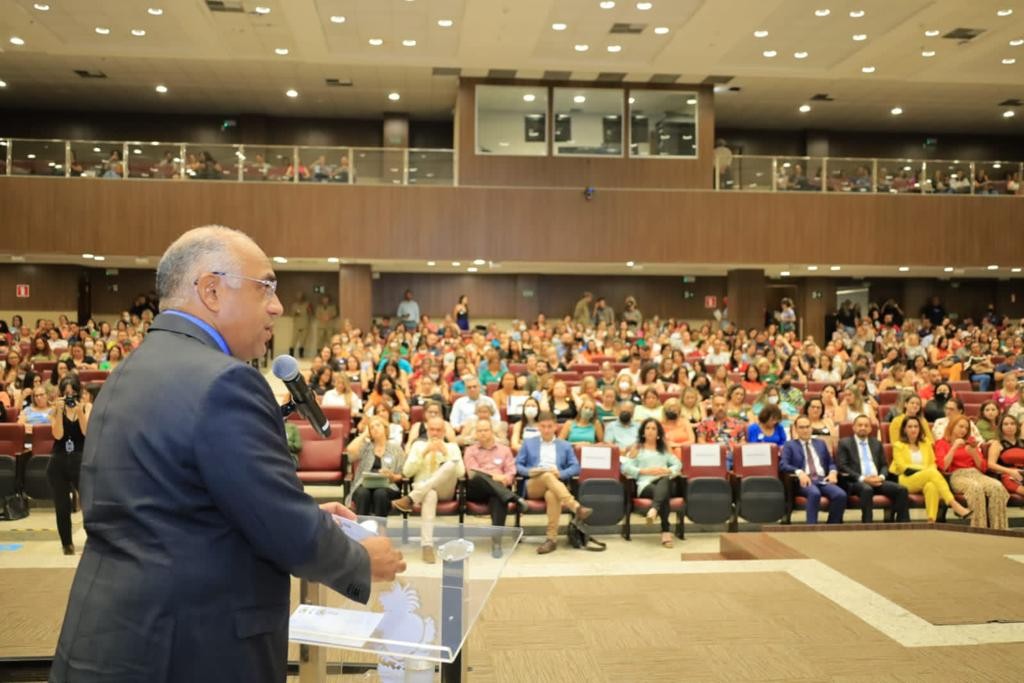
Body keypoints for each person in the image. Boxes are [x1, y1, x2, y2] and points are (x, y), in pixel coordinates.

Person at [50, 226, 405, 683]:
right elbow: (283, 529)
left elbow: (192, 505)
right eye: (266, 288)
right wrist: (360, 559)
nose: (277, 306)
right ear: (212, 290)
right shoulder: (225, 381)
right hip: (190, 649)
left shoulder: (129, 371)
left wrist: (307, 512)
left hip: (116, 637)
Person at [514, 411, 592, 554]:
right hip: (533, 484)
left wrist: (560, 473)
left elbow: (576, 467)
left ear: (555, 427)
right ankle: (576, 507)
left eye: (550, 426)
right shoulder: (529, 443)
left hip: (556, 485)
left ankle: (551, 540)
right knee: (547, 476)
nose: (546, 430)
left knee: (552, 493)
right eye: (543, 426)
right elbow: (518, 465)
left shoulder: (565, 445)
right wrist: (530, 471)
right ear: (538, 427)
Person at [393, 417, 466, 563]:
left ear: (444, 432)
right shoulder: (418, 446)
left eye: (439, 430)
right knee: (430, 493)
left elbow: (461, 474)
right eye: (432, 429)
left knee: (451, 464)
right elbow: (407, 473)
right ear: (427, 431)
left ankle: (410, 499)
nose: (435, 433)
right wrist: (423, 453)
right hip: (423, 490)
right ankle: (427, 546)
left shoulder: (452, 447)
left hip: (445, 489)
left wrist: (445, 453)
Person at [890, 416, 971, 523]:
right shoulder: (898, 446)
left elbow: (933, 464)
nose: (913, 429)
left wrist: (926, 471)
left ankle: (931, 520)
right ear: (904, 429)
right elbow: (903, 468)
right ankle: (954, 504)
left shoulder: (926, 444)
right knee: (931, 473)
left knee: (931, 486)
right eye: (910, 427)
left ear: (920, 429)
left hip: (925, 478)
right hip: (905, 480)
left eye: (916, 426)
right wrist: (925, 470)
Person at [463, 419, 525, 556]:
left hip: (498, 489)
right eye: (479, 431)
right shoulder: (470, 450)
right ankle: (513, 497)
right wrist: (494, 476)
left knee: (498, 497)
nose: (483, 433)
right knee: (478, 476)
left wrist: (505, 479)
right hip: (477, 490)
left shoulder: (504, 450)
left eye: (486, 430)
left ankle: (497, 543)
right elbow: (471, 471)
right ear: (476, 434)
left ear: (492, 432)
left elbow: (511, 471)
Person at [935, 415, 1009, 530]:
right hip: (957, 475)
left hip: (975, 473)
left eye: (966, 428)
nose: (963, 430)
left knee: (997, 487)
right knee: (976, 488)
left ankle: (999, 529)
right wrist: (953, 448)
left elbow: (983, 467)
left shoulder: (970, 443)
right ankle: (979, 529)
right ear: (952, 426)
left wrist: (974, 453)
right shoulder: (942, 443)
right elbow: (943, 466)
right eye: (961, 426)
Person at [47, 374, 91, 555]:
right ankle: (67, 543)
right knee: (62, 505)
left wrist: (79, 411)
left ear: (78, 392)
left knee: (87, 502)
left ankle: (93, 539)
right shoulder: (54, 410)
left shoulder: (87, 406)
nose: (70, 397)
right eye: (66, 394)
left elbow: (86, 432)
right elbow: (57, 435)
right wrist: (58, 412)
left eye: (72, 393)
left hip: (80, 459)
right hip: (59, 460)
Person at [836, 415, 909, 523]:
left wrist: (881, 477)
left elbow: (884, 465)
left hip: (877, 480)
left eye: (866, 425)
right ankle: (867, 523)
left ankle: (902, 523)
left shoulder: (876, 443)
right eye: (860, 425)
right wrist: (863, 478)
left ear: (870, 429)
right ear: (854, 427)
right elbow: (843, 466)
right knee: (867, 489)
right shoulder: (844, 443)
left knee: (901, 490)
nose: (863, 428)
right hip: (857, 481)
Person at [622, 418, 682, 548]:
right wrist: (644, 471)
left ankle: (654, 509)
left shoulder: (664, 449)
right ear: (643, 432)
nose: (650, 431)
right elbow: (625, 467)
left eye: (653, 428)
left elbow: (678, 464)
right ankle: (665, 531)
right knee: (663, 494)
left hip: (665, 481)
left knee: (665, 479)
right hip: (645, 485)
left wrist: (667, 470)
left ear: (658, 433)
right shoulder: (637, 448)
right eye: (647, 428)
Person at [780, 416, 848, 524]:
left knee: (840, 495)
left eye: (807, 427)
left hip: (823, 480)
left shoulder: (820, 443)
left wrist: (832, 472)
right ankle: (811, 527)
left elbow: (830, 463)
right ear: (796, 429)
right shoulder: (790, 445)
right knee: (814, 493)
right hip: (804, 482)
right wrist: (799, 472)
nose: (805, 430)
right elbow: (783, 465)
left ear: (811, 428)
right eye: (801, 427)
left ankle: (832, 526)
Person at [987, 413, 1024, 497]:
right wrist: (1010, 471)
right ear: (1001, 427)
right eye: (1006, 424)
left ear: (1017, 426)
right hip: (1008, 475)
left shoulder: (1022, 442)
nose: (1009, 426)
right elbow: (990, 464)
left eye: (1012, 424)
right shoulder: (997, 443)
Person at [289, 291, 312, 358]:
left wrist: (309, 310)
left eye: (301, 297)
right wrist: (295, 314)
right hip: (296, 324)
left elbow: (310, 313)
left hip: (305, 324)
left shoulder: (307, 304)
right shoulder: (294, 305)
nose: (300, 298)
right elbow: (291, 314)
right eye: (298, 297)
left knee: (303, 340)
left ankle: (301, 354)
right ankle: (291, 353)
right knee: (294, 339)